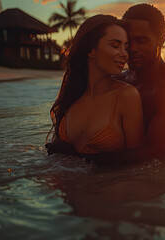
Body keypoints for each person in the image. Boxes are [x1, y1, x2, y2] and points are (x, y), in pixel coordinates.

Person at [48, 4, 165, 164]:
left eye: (142, 40)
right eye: (128, 41)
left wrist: (80, 159)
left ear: (161, 41)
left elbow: (157, 153)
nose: (133, 49)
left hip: (148, 181)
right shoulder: (120, 80)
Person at [46, 14, 144, 155]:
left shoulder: (126, 96)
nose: (124, 54)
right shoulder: (71, 97)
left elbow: (139, 164)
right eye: (115, 45)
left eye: (126, 47)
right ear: (91, 50)